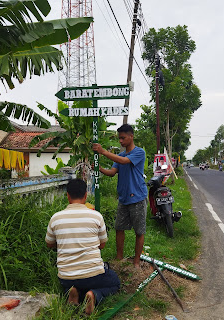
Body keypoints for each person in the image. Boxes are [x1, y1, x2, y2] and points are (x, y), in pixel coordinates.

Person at [45, 179, 120, 314]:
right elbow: (102, 245)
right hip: (93, 275)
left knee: (73, 282)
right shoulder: (96, 216)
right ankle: (94, 295)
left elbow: (49, 244)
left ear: (67, 195)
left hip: (66, 277)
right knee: (114, 281)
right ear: (85, 195)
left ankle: (73, 292)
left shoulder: (55, 218)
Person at [92, 124, 148, 268]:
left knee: (139, 231)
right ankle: (119, 258)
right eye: (119, 139)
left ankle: (136, 261)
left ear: (131, 136)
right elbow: (112, 172)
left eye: (123, 138)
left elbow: (124, 162)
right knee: (119, 228)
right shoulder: (121, 155)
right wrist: (100, 169)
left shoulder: (139, 153)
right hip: (123, 198)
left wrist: (103, 151)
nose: (121, 141)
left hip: (137, 197)